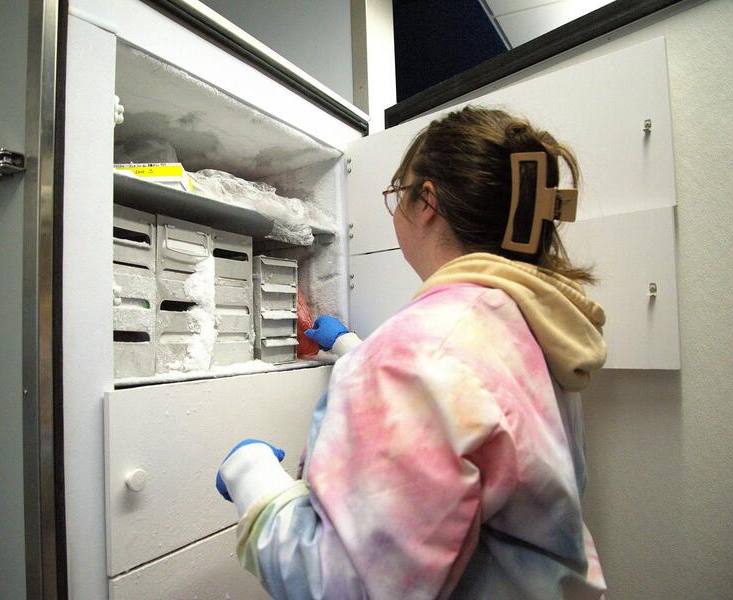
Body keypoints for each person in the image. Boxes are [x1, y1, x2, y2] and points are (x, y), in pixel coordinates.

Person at [215, 106, 608, 599]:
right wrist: (354, 351)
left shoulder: (418, 353)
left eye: (398, 193)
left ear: (426, 201)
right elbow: (469, 407)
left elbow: (342, 587)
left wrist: (253, 477)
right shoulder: (525, 320)